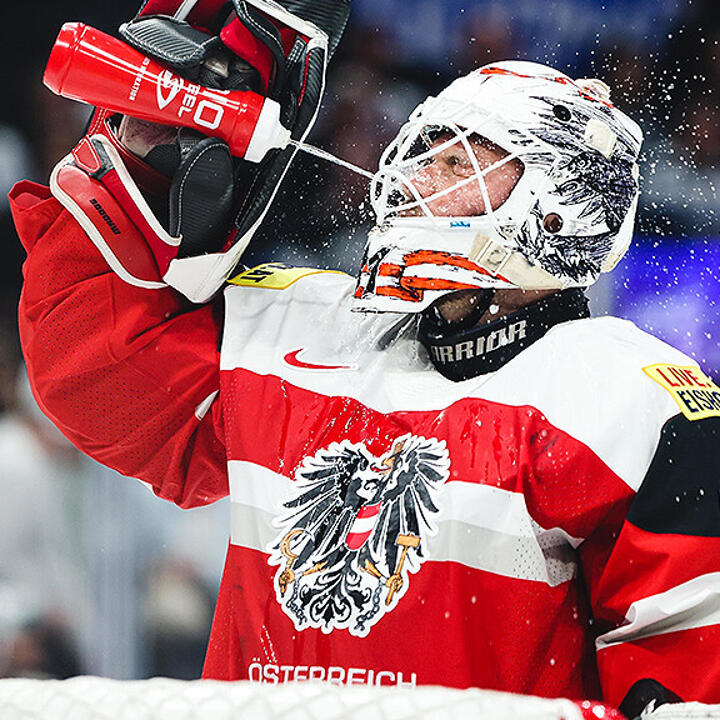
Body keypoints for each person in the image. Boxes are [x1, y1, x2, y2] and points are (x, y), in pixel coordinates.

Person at [9, 0, 720, 717]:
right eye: (421, 151)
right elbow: (93, 375)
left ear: (557, 206)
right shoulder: (299, 326)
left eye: (457, 160)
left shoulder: (632, 401)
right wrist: (138, 159)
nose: (416, 179)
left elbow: (690, 682)